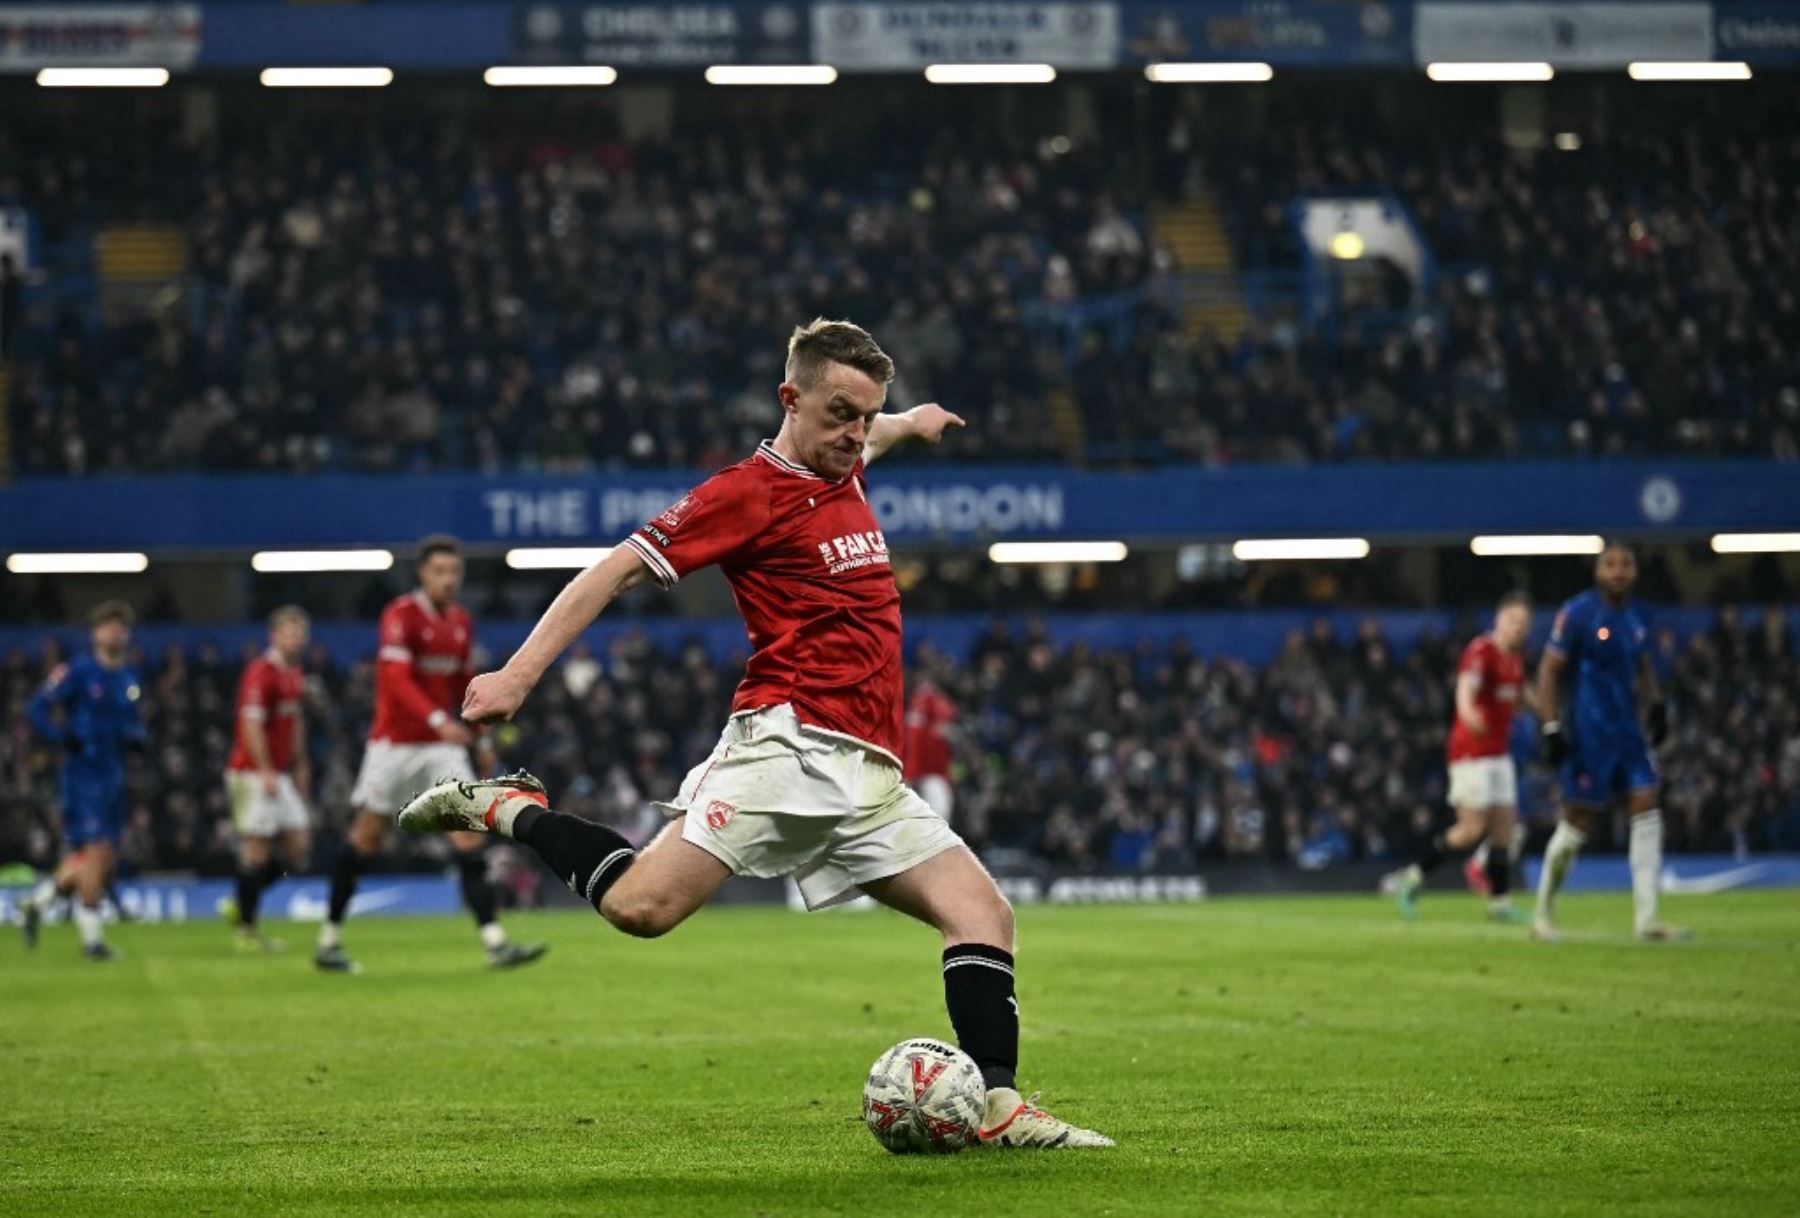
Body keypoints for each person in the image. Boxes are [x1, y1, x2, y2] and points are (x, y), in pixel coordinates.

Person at [401, 319, 1112, 1148]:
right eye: (840, 412)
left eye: (864, 416)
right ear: (790, 398)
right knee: (642, 908)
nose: (853, 433)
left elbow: (872, 431)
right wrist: (518, 675)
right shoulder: (747, 491)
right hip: (786, 746)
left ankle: (999, 1111)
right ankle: (510, 808)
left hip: (871, 772)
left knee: (983, 914)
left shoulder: (847, 453)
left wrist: (909, 422)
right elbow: (616, 567)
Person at [316, 535, 545, 973]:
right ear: (423, 574)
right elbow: (397, 682)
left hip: (442, 749)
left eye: (454, 572)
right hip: (395, 743)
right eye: (440, 572)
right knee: (365, 838)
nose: (448, 580)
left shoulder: (460, 622)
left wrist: (478, 740)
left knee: (468, 835)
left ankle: (495, 942)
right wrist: (441, 722)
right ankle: (329, 940)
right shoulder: (400, 615)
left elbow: (464, 689)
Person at [1533, 542, 1687, 942]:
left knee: (1646, 806)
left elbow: (1644, 664)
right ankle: (1543, 913)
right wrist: (1550, 726)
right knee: (1577, 824)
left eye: (1625, 564)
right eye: (1610, 564)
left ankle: (1647, 921)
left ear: (1635, 571)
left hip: (1628, 734)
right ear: (1597, 571)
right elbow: (1548, 672)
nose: (1618, 571)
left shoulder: (1639, 615)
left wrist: (1656, 705)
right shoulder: (1578, 613)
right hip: (1589, 735)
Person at [1385, 593, 1535, 921]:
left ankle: (1500, 903)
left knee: (1504, 831)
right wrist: (1468, 714)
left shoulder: (1515, 661)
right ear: (1498, 620)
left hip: (1498, 753)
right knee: (1470, 830)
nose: (1518, 629)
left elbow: (1522, 696)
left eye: (1523, 624)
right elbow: (1465, 688)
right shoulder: (1482, 650)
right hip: (1471, 752)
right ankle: (1412, 878)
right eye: (1513, 621)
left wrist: (1550, 717)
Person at [21, 601, 147, 960]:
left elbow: (130, 718)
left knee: (102, 859)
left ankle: (37, 902)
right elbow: (36, 708)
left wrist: (136, 738)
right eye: (107, 626)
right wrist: (60, 737)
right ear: (95, 634)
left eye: (120, 627)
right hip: (83, 776)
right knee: (97, 851)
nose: (114, 633)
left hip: (114, 775)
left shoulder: (128, 678)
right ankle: (92, 941)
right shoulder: (78, 671)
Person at [221, 606, 313, 951]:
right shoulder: (262, 672)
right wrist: (265, 770)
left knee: (298, 848)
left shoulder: (294, 673)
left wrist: (301, 763)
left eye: (300, 631)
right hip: (251, 772)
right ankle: (246, 930)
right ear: (274, 636)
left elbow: (296, 722)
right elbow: (251, 724)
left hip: (279, 772)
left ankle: (241, 901)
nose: (296, 638)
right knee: (256, 850)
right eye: (289, 631)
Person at [904, 669, 958, 826]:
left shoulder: (933, 704)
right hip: (922, 773)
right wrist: (908, 774)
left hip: (928, 773)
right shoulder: (924, 703)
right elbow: (913, 742)